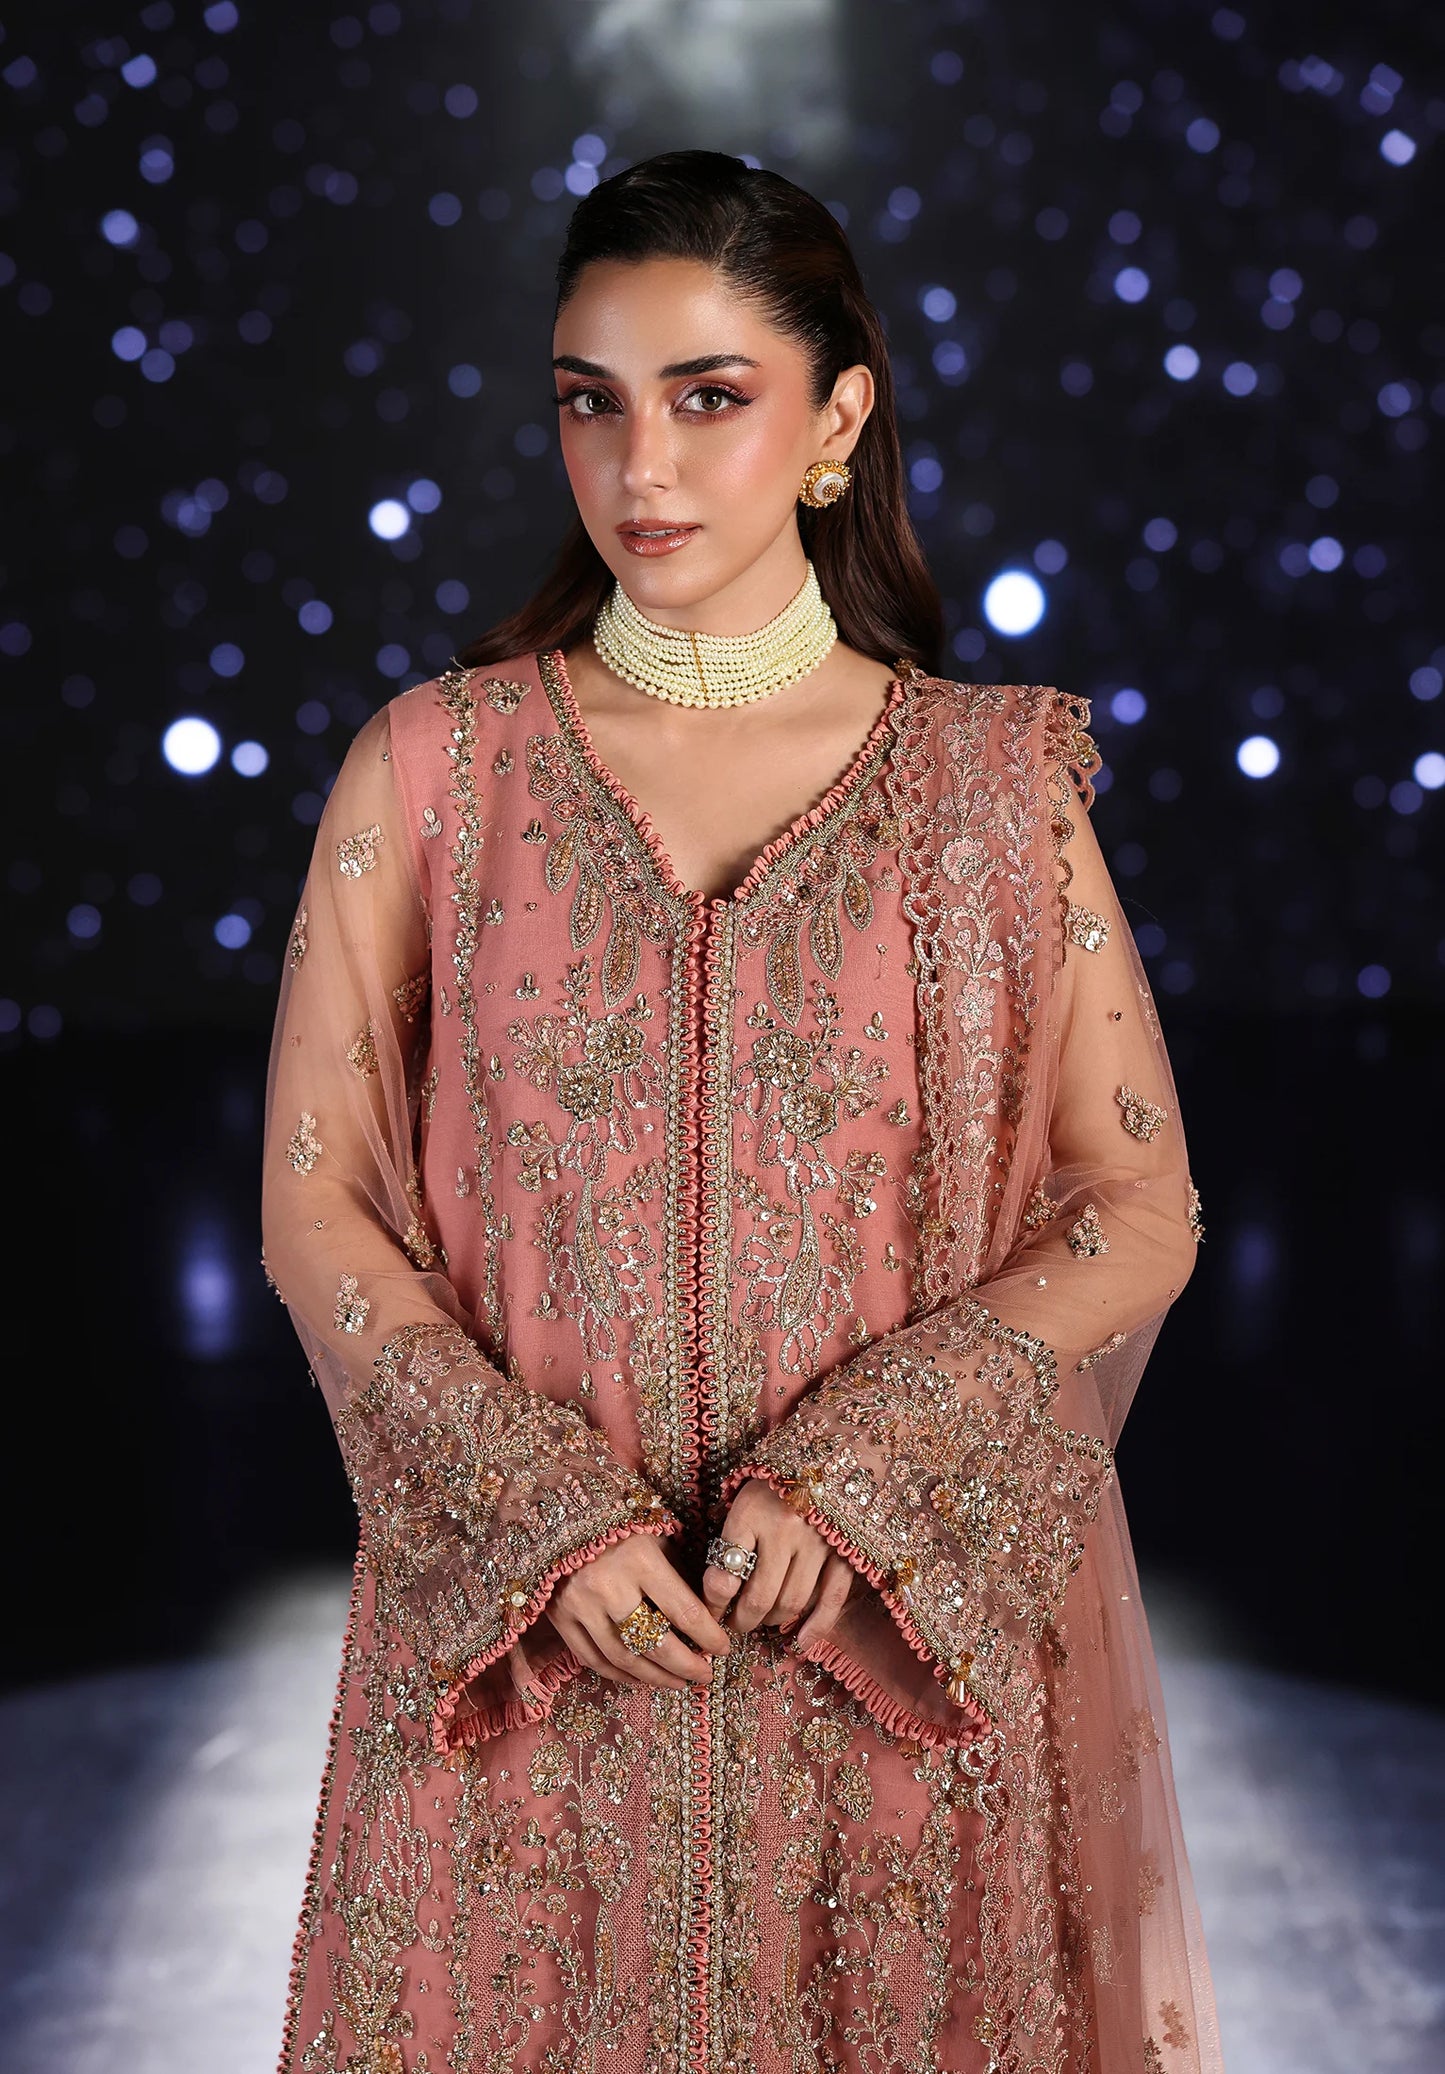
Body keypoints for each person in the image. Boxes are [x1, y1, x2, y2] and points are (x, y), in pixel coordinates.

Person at [262, 149, 1223, 2074]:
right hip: (528, 1676)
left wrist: (857, 1482)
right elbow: (320, 1208)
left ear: (834, 418)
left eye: (709, 398)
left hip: (877, 1680)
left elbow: (1135, 1203)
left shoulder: (985, 793)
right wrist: (537, 1518)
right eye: (588, 403)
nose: (643, 470)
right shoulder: (436, 771)